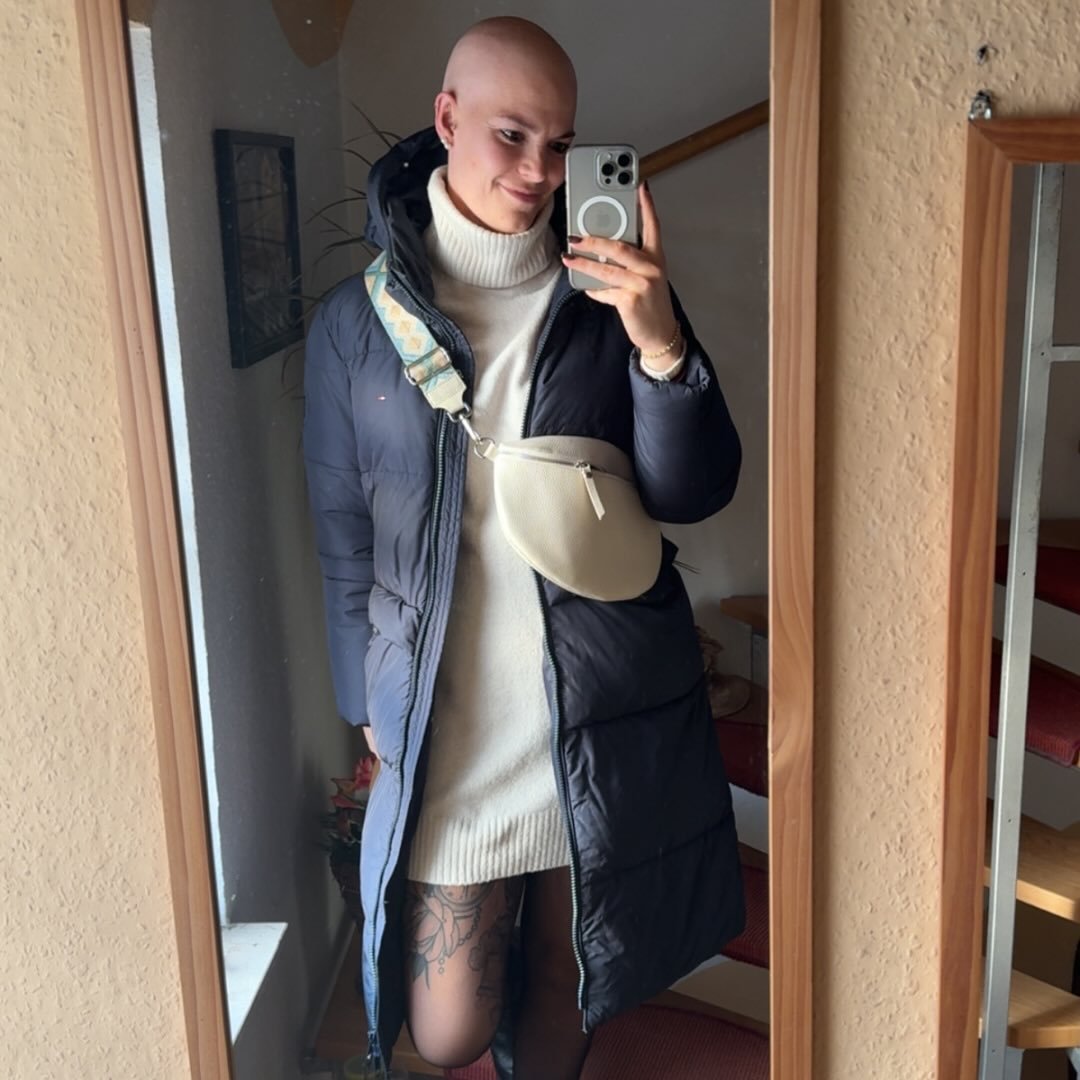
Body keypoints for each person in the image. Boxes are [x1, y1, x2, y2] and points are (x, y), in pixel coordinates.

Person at [303, 16, 745, 1080]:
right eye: (513, 135)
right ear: (447, 118)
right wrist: (366, 701)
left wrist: (660, 343)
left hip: (588, 707)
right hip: (450, 724)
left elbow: (691, 492)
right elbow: (341, 529)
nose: (541, 170)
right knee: (447, 1027)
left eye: (562, 143)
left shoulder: (609, 296)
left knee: (564, 977)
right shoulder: (356, 326)